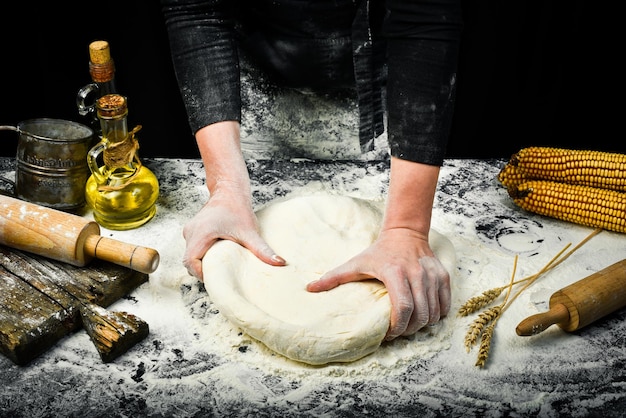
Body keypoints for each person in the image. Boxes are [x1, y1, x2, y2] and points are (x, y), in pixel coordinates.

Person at [161, 0, 463, 341]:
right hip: (245, 109)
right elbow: (197, 9)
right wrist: (227, 185)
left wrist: (406, 229)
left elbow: (424, 16)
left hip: (394, 116)